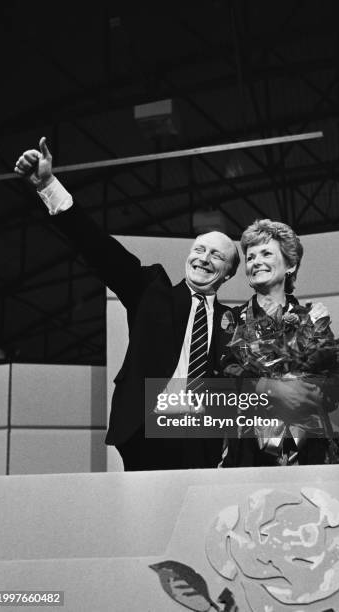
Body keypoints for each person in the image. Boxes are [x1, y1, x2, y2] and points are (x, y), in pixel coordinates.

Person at [14, 137, 240, 471]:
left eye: (217, 255)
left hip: (203, 435)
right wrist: (48, 185)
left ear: (228, 274)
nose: (204, 258)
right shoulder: (151, 289)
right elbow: (98, 248)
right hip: (147, 430)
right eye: (199, 249)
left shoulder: (234, 322)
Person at [221, 219, 339, 467]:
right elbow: (222, 380)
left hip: (311, 449)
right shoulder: (231, 319)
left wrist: (312, 392)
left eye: (266, 253)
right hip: (250, 451)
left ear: (290, 265)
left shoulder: (312, 318)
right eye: (251, 257)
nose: (256, 262)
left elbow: (333, 387)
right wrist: (270, 389)